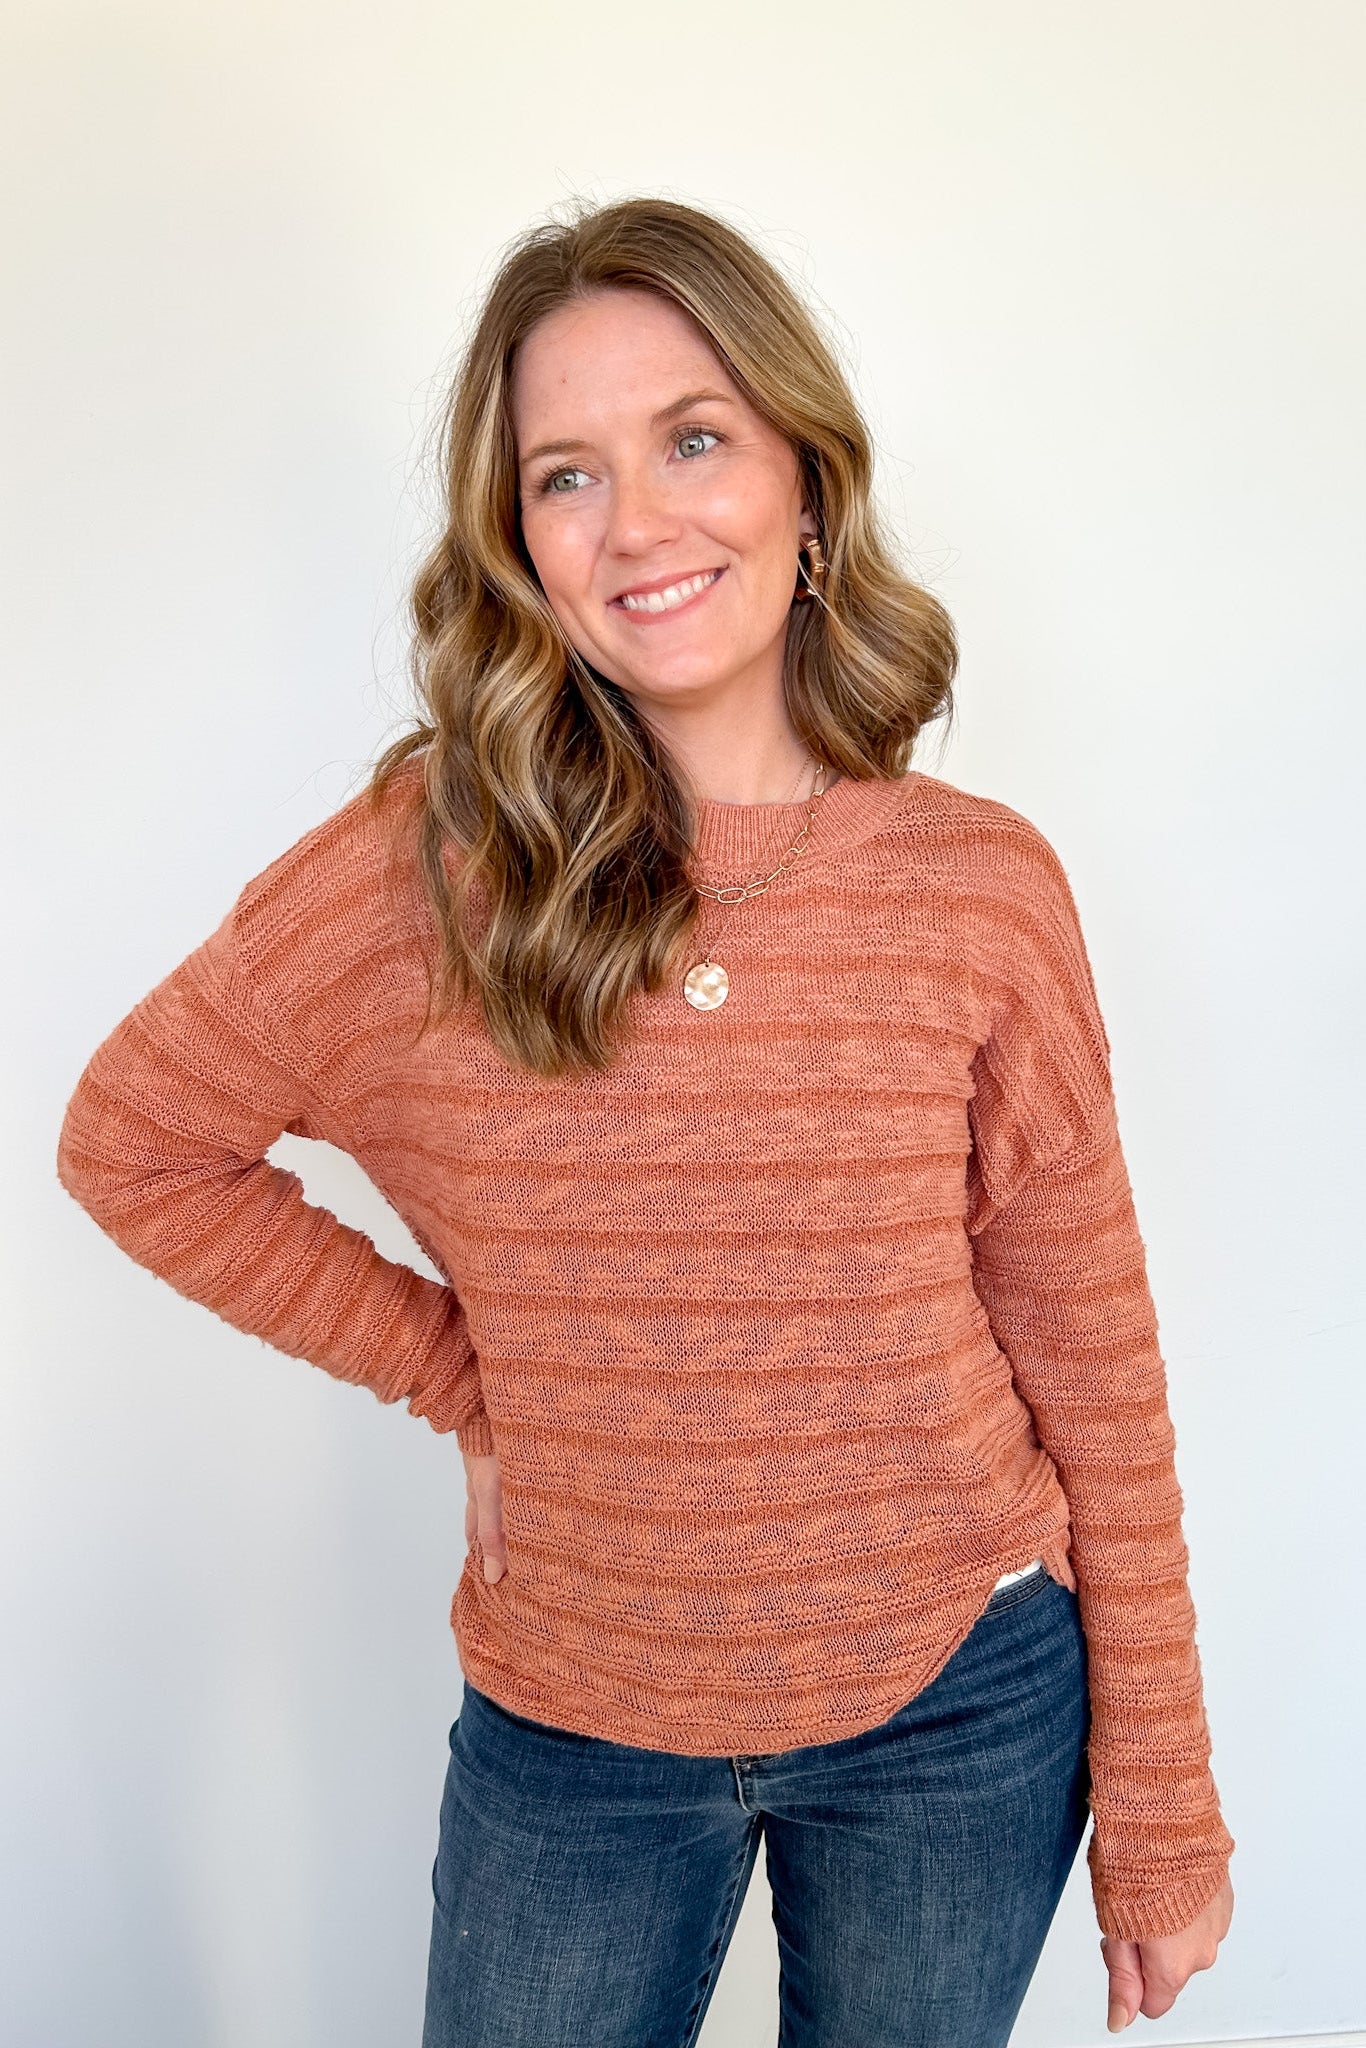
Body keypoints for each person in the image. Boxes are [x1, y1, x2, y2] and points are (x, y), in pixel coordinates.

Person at [55, 195, 1235, 2047]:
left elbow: (1090, 1354)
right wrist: (456, 1371)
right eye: (566, 475)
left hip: (960, 1702)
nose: (635, 523)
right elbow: (132, 1143)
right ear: (518, 542)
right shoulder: (424, 871)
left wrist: (1162, 1800)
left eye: (693, 439)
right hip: (575, 1726)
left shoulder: (977, 888)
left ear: (804, 482)